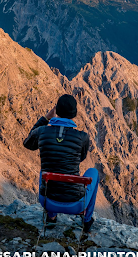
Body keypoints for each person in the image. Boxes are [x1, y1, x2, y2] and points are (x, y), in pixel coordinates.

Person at [23, 94, 99, 232]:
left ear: (56, 110)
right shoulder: (82, 137)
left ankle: (51, 218)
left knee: (46, 170)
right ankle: (86, 221)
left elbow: (27, 143)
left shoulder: (42, 131)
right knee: (93, 172)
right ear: (75, 114)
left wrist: (45, 119)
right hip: (76, 204)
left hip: (47, 201)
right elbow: (79, 159)